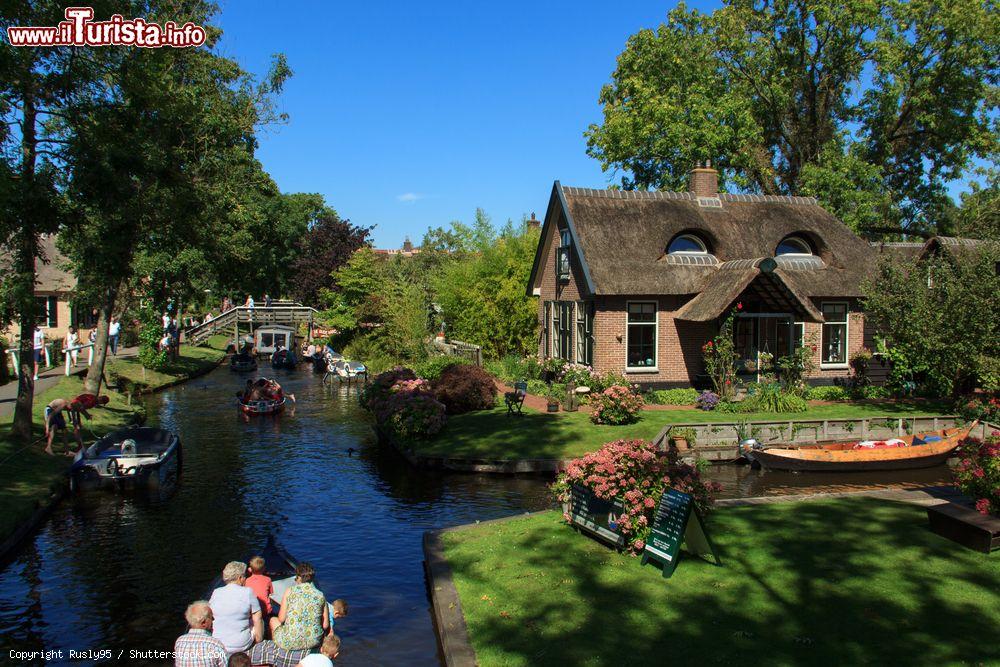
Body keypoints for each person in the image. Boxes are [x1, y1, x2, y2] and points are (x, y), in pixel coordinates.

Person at [269, 562, 328, 652]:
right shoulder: (320, 595)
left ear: (299, 577)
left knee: (273, 620)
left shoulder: (290, 591)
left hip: (291, 641)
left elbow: (281, 619)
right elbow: (325, 625)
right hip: (313, 641)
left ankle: (277, 652)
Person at [209, 561, 262, 655]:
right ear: (240, 578)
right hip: (241, 644)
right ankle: (259, 645)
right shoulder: (248, 592)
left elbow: (211, 614)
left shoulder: (216, 592)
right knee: (258, 619)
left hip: (218, 643)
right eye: (245, 576)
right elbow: (257, 618)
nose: (245, 579)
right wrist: (259, 638)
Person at [175, 600, 228, 667]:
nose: (213, 620)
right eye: (211, 617)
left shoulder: (180, 642)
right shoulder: (215, 644)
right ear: (203, 622)